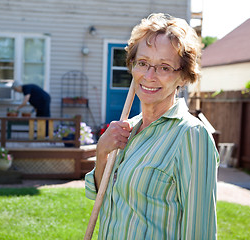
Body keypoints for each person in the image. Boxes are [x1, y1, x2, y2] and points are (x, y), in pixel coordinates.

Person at [85, 13, 219, 239]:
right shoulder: (128, 129)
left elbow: (200, 231)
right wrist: (102, 153)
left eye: (164, 67)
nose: (149, 76)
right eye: (143, 63)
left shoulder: (192, 136)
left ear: (184, 76)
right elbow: (102, 194)